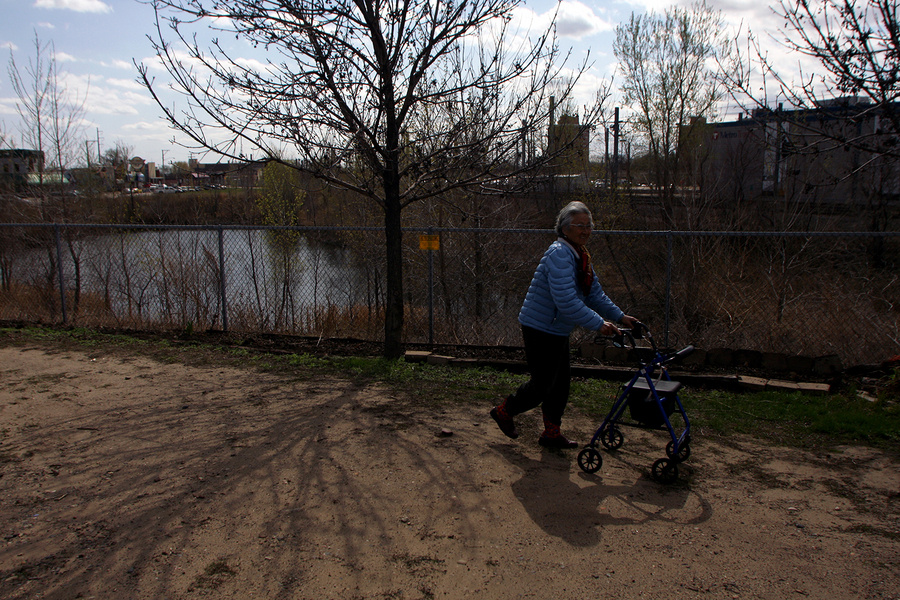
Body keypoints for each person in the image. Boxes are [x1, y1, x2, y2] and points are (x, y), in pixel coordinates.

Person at [490, 201, 638, 448]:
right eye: (579, 225)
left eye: (589, 225)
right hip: (540, 327)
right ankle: (504, 411)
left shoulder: (580, 255)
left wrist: (621, 317)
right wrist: (599, 324)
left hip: (557, 328)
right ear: (564, 228)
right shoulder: (560, 253)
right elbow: (566, 301)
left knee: (560, 385)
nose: (586, 230)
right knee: (542, 385)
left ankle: (551, 434)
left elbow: (594, 294)